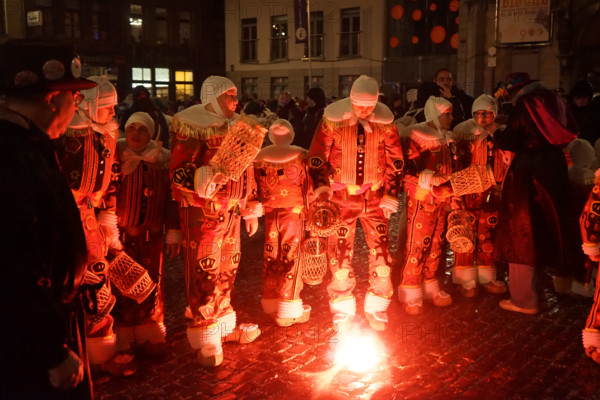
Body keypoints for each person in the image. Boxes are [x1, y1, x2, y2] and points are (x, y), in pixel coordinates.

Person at [0, 40, 97, 399]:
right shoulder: (13, 156)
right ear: (52, 98)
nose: (76, 107)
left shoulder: (29, 145)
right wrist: (49, 349)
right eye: (75, 98)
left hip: (48, 325)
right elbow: (10, 263)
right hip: (28, 349)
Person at [170, 75, 266, 367]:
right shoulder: (192, 125)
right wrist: (203, 177)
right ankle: (205, 329)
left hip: (232, 212)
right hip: (204, 212)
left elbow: (247, 169)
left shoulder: (239, 127)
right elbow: (178, 169)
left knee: (228, 267)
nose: (235, 101)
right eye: (229, 95)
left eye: (236, 95)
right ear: (212, 97)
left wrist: (249, 203)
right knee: (205, 271)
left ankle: (223, 323)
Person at [55, 76, 139, 380]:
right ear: (90, 106)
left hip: (91, 215)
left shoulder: (105, 134)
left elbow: (111, 175)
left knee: (97, 275)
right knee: (72, 281)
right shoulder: (66, 133)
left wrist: (108, 214)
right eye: (108, 107)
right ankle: (78, 348)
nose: (114, 113)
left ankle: (99, 346)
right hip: (67, 216)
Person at [307, 75, 404, 331]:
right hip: (341, 196)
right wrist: (322, 185)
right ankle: (341, 305)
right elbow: (317, 154)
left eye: (370, 106)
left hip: (373, 196)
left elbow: (396, 159)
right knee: (338, 251)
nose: (365, 111)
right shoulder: (333, 121)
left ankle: (378, 305)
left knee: (381, 251)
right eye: (360, 106)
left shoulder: (385, 124)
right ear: (351, 101)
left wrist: (390, 192)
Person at [493, 72, 577, 314]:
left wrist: (496, 131)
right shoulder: (551, 100)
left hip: (530, 171)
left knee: (522, 231)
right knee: (542, 230)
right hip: (553, 167)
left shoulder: (527, 103)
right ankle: (538, 294)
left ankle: (523, 299)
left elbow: (514, 137)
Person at [112, 112, 181, 357]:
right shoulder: (116, 153)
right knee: (122, 282)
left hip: (151, 234)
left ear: (151, 132)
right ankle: (123, 332)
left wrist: (173, 229)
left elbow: (172, 197)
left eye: (143, 129)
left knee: (152, 281)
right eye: (132, 128)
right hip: (123, 234)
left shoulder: (162, 158)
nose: (137, 133)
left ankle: (149, 330)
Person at [397, 96, 457, 315]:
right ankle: (410, 289)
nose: (451, 118)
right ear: (435, 114)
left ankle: (430, 283)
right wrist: (432, 182)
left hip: (442, 199)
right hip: (422, 199)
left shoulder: (447, 138)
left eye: (451, 114)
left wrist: (450, 188)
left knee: (436, 244)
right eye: (447, 114)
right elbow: (407, 171)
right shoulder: (416, 135)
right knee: (416, 243)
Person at [451, 94, 511, 297]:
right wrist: (455, 191)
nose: (483, 118)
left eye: (487, 113)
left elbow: (508, 160)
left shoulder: (502, 134)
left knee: (489, 233)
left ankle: (487, 275)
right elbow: (456, 162)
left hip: (493, 190)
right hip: (468, 189)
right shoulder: (463, 132)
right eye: (478, 113)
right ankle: (465, 278)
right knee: (465, 232)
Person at [254, 119, 311, 326]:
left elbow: (253, 184)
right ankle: (288, 304)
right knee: (291, 255)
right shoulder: (300, 154)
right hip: (294, 211)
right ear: (291, 134)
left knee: (271, 253)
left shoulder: (260, 157)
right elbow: (309, 182)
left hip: (270, 212)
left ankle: (271, 298)